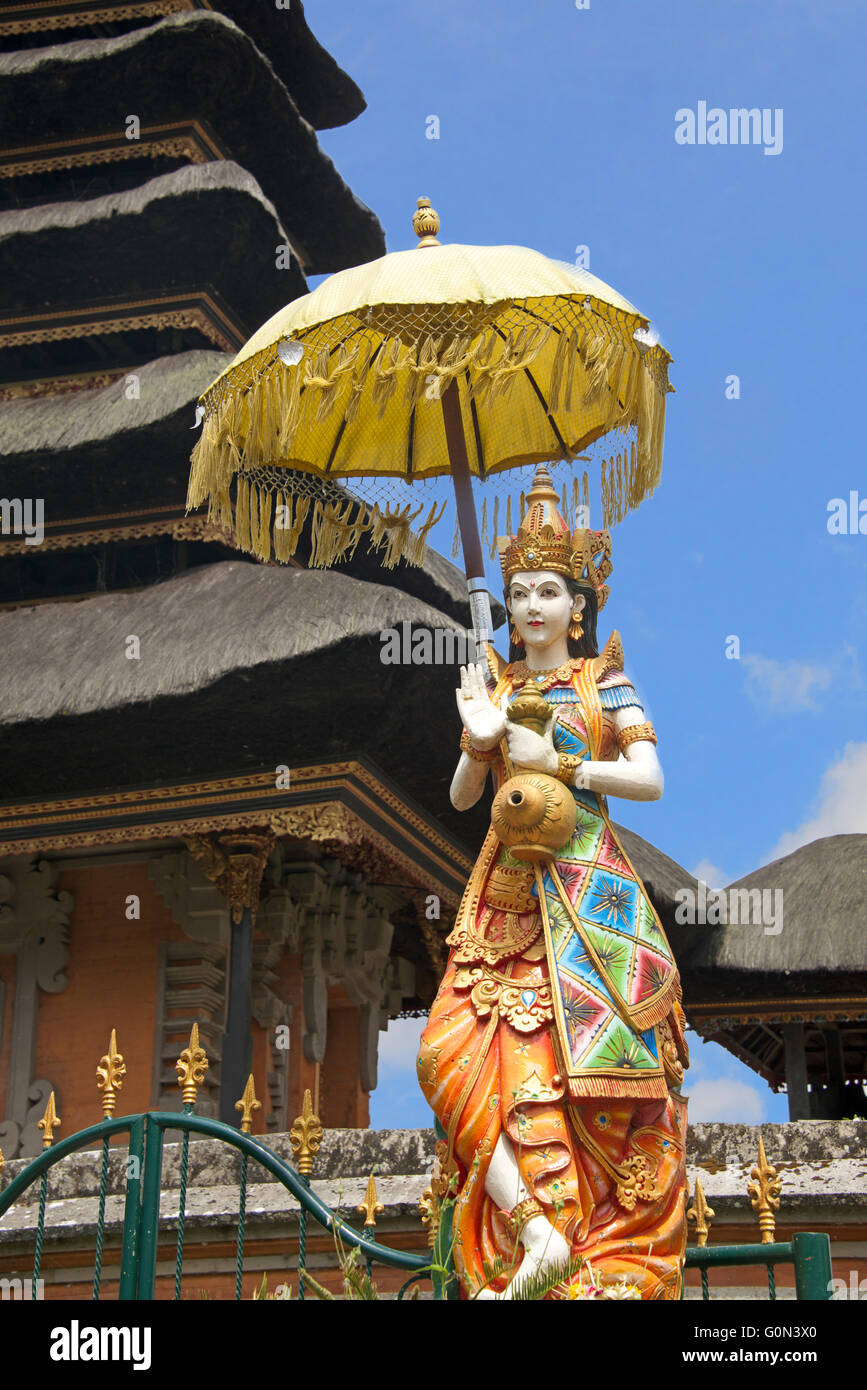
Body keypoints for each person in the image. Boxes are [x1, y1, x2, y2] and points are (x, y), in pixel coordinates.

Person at [417, 465, 689, 1300]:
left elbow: (649, 780)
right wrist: (478, 738)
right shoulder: (495, 684)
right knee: (446, 1055)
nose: (531, 607)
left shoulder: (599, 680)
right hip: (500, 895)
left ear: (578, 606)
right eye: (520, 593)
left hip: (584, 892)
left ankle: (586, 1238)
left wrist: (561, 761)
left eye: (548, 592)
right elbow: (464, 799)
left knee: (568, 1077)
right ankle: (532, 1231)